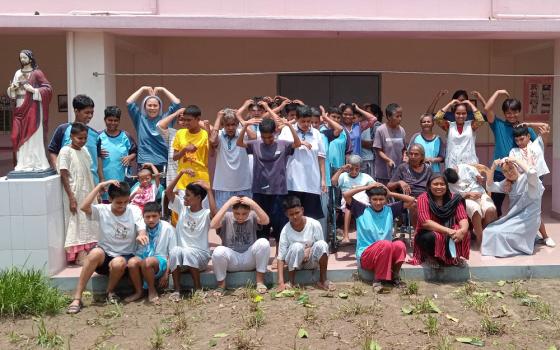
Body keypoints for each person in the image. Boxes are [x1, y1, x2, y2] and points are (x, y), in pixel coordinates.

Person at [66, 180, 148, 314]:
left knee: (118, 262)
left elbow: (141, 229)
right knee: (94, 254)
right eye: (118, 202)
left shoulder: (134, 210)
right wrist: (99, 186)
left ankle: (109, 292)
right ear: (110, 199)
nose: (122, 206)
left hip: (125, 259)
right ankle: (77, 297)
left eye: (125, 202)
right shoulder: (102, 209)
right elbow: (84, 207)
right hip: (105, 256)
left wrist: (141, 236)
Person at [237, 114, 301, 256]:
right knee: (261, 226)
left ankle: (279, 257)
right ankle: (262, 257)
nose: (267, 140)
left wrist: (290, 126)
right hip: (259, 192)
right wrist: (246, 126)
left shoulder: (283, 144)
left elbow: (297, 144)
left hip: (279, 192)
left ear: (275, 133)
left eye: (270, 137)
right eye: (264, 137)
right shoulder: (255, 144)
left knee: (279, 226)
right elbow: (239, 143)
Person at [483, 90, 548, 217]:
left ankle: (528, 232)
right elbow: (486, 108)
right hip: (500, 172)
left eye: (514, 112)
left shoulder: (525, 129)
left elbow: (538, 147)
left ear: (519, 112)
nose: (511, 115)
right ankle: (495, 229)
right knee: (495, 204)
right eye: (508, 113)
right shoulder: (498, 124)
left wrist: (529, 123)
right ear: (504, 113)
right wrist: (498, 92)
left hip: (521, 174)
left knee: (525, 204)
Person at [343, 182, 415, 293]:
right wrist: (367, 187)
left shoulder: (390, 209)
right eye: (374, 199)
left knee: (400, 245)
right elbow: (346, 195)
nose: (378, 202)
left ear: (386, 200)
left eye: (381, 199)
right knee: (385, 244)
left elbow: (411, 200)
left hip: (386, 252)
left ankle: (394, 277)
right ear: (369, 199)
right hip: (366, 256)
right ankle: (377, 280)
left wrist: (390, 193)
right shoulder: (361, 209)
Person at [166, 171, 216, 300]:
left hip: (201, 257)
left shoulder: (206, 213)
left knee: (188, 252)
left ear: (198, 198)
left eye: (188, 195)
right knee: (175, 250)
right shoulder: (182, 209)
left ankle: (198, 289)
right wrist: (181, 173)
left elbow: (215, 215)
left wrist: (209, 191)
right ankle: (177, 290)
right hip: (182, 258)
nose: (184, 198)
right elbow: (168, 192)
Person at [482, 157, 544, 257]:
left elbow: (532, 173)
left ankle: (526, 242)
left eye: (511, 168)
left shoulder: (528, 179)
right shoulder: (508, 183)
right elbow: (490, 186)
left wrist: (516, 160)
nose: (509, 173)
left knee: (499, 233)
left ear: (516, 167)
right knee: (490, 230)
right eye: (505, 171)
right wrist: (493, 167)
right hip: (515, 219)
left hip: (528, 220)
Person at [210, 196, 271, 296]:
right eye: (237, 213)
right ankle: (221, 286)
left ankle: (260, 282)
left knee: (263, 243)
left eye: (244, 214)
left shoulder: (252, 215)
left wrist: (253, 203)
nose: (240, 217)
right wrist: (228, 203)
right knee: (218, 251)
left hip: (249, 259)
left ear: (249, 211)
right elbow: (213, 225)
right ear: (232, 210)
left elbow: (266, 221)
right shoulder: (227, 216)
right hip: (232, 260)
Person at [57, 122, 98, 265]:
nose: (83, 141)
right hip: (74, 193)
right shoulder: (65, 151)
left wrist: (95, 192)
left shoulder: (85, 150)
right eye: (80, 138)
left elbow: (89, 172)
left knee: (89, 221)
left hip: (87, 192)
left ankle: (89, 253)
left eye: (85, 138)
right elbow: (63, 174)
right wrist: (71, 197)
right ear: (71, 136)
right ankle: (79, 256)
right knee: (77, 223)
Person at [279, 104, 327, 221]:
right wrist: (299, 142)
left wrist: (323, 179)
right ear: (297, 118)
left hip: (311, 181)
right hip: (292, 181)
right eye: (303, 121)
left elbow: (321, 157)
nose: (306, 124)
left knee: (310, 218)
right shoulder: (287, 130)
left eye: (308, 121)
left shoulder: (316, 133)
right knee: (291, 214)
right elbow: (281, 147)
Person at [509, 125, 555, 247]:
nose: (519, 142)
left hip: (537, 181)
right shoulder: (513, 151)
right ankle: (531, 236)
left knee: (535, 211)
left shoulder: (537, 144)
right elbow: (513, 169)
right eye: (516, 140)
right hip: (522, 183)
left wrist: (527, 123)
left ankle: (546, 237)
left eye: (522, 139)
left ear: (529, 136)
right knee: (523, 211)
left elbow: (546, 127)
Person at [276, 196, 335, 291]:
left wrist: (309, 250)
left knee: (322, 244)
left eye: (297, 212)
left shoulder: (314, 224)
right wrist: (280, 282)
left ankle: (323, 280)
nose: (295, 217)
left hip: (311, 261)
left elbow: (321, 248)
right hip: (295, 264)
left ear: (302, 210)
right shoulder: (285, 230)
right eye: (291, 214)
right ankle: (291, 282)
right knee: (296, 246)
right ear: (286, 215)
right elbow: (281, 258)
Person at [7, 49, 52, 172]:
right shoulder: (17, 73)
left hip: (33, 107)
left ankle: (36, 162)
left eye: (25, 57)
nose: (22, 60)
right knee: (17, 134)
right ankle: (22, 162)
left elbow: (48, 89)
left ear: (30, 59)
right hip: (20, 106)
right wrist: (12, 88)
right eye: (21, 58)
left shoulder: (37, 73)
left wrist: (33, 90)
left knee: (33, 134)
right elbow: (12, 94)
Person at [412, 174, 470, 266]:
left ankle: (454, 257)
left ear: (446, 186)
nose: (439, 187)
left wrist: (462, 231)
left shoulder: (454, 198)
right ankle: (433, 257)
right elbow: (425, 222)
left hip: (450, 229)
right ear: (429, 186)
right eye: (435, 184)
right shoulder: (423, 198)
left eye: (442, 184)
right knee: (432, 237)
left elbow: (462, 217)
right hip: (429, 231)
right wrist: (449, 231)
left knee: (465, 232)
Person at [126, 201, 176, 303]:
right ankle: (139, 291)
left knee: (148, 261)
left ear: (160, 215)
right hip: (142, 257)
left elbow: (173, 252)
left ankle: (151, 290)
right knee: (131, 262)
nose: (151, 219)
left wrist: (166, 273)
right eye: (147, 217)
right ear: (143, 217)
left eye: (154, 216)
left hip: (160, 261)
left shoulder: (168, 228)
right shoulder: (140, 228)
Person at [126, 86, 182, 174]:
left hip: (162, 161)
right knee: (144, 188)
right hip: (144, 162)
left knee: (161, 188)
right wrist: (143, 89)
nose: (152, 108)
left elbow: (177, 103)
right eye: (149, 105)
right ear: (144, 107)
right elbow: (129, 102)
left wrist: (163, 89)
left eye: (155, 105)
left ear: (160, 107)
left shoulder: (166, 118)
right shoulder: (139, 119)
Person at [48, 94, 101, 183]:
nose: (90, 116)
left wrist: (101, 179)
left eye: (92, 113)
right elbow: (53, 151)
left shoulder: (95, 135)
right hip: (70, 182)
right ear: (76, 111)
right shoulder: (63, 129)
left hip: (92, 182)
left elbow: (98, 158)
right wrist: (59, 170)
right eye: (87, 112)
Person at [444, 165, 497, 246]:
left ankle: (484, 234)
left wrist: (479, 178)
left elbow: (479, 177)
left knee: (491, 210)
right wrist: (467, 194)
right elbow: (453, 197)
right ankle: (480, 239)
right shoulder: (447, 182)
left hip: (481, 194)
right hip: (466, 199)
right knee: (475, 210)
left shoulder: (465, 167)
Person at [210, 108, 253, 209]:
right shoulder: (219, 135)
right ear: (223, 125)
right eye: (227, 125)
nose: (230, 128)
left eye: (233, 124)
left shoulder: (243, 134)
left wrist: (239, 117)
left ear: (237, 124)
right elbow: (212, 140)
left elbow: (253, 137)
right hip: (223, 186)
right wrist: (218, 118)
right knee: (224, 218)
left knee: (244, 218)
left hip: (243, 185)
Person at [331, 155, 375, 244]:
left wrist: (367, 186)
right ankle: (346, 236)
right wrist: (341, 170)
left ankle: (365, 236)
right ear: (348, 168)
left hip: (362, 200)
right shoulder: (343, 176)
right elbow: (333, 182)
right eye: (351, 169)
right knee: (348, 207)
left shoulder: (365, 176)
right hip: (348, 199)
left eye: (357, 169)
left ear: (360, 168)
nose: (354, 172)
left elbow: (374, 184)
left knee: (364, 208)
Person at [97, 106, 137, 201]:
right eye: (110, 120)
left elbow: (135, 151)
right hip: (104, 180)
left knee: (121, 202)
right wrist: (97, 152)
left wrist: (129, 157)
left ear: (119, 121)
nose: (113, 123)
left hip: (122, 179)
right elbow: (91, 155)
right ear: (105, 120)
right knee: (106, 206)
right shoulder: (98, 136)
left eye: (116, 120)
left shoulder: (125, 136)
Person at [434, 99, 484, 169]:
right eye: (458, 113)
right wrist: (450, 103)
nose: (461, 116)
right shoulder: (449, 126)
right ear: (454, 114)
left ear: (467, 113)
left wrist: (470, 104)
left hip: (470, 164)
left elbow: (480, 120)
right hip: (452, 165)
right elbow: (437, 118)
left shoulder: (471, 125)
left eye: (464, 113)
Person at [172, 105, 211, 191]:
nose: (186, 123)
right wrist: (184, 149)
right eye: (184, 120)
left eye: (189, 120)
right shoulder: (180, 133)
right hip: (183, 179)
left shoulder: (205, 134)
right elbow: (174, 157)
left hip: (201, 178)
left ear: (198, 119)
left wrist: (208, 131)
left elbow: (212, 154)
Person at [373, 103, 406, 185]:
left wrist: (405, 157)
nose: (400, 119)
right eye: (397, 116)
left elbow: (404, 148)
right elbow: (378, 150)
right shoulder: (380, 130)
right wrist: (388, 160)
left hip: (398, 171)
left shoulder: (402, 130)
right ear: (388, 117)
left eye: (401, 116)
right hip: (383, 172)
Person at [156, 107, 188, 188]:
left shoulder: (198, 134)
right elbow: (159, 126)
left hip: (190, 178)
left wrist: (194, 115)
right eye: (181, 119)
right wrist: (176, 113)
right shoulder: (172, 133)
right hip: (173, 178)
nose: (184, 122)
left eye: (187, 119)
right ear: (177, 122)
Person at [360, 104, 383, 178]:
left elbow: (375, 144)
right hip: (362, 159)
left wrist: (357, 142)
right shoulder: (364, 124)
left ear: (375, 114)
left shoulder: (377, 126)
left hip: (370, 160)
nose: (365, 114)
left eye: (368, 112)